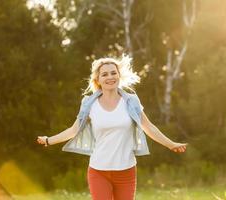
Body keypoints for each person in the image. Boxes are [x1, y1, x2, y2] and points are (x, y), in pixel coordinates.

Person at [36, 54, 187, 200]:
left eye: (114, 73)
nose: (110, 77)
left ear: (119, 76)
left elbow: (148, 127)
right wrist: (49, 140)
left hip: (126, 171)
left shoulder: (131, 101)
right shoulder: (89, 103)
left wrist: (171, 144)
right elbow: (73, 130)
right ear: (98, 80)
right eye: (105, 74)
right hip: (98, 171)